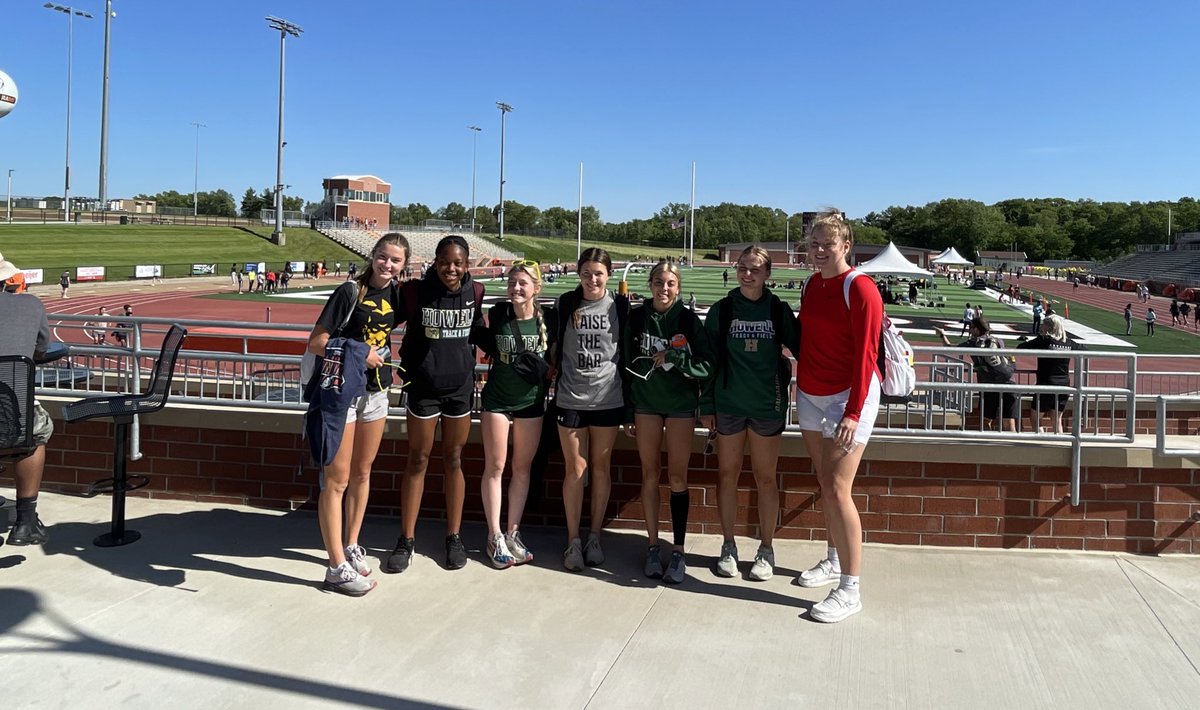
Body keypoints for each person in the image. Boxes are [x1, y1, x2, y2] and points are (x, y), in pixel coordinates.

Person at [305, 232, 410, 596]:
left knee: (363, 472)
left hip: (376, 390)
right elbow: (316, 341)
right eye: (383, 256)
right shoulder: (350, 292)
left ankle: (350, 544)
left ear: (403, 266)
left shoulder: (397, 295)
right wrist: (357, 350)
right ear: (373, 255)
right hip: (341, 393)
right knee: (337, 479)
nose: (388, 264)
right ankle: (335, 566)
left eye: (396, 260)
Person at [791, 211, 881, 624]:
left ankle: (850, 588)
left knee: (839, 489)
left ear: (846, 246)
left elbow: (866, 355)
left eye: (828, 244)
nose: (820, 250)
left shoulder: (860, 288)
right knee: (825, 483)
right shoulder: (812, 284)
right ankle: (832, 559)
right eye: (814, 244)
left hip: (849, 396)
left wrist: (853, 411)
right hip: (811, 392)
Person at [699, 245, 799, 584]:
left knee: (765, 478)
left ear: (768, 273)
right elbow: (707, 360)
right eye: (743, 267)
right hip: (728, 404)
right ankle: (728, 546)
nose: (748, 274)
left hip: (765, 406)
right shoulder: (723, 310)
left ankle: (766, 549)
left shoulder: (777, 309)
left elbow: (803, 348)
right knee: (727, 475)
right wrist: (706, 406)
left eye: (755, 269)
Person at [385, 235, 485, 573]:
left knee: (454, 458)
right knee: (418, 459)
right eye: (445, 261)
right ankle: (407, 539)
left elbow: (480, 332)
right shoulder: (413, 292)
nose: (451, 268)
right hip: (423, 389)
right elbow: (382, 321)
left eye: (458, 263)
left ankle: (454, 536)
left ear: (467, 264)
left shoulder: (476, 292)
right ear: (435, 261)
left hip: (459, 388)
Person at [624, 261, 713, 584]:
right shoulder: (636, 317)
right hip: (646, 404)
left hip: (680, 406)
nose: (664, 288)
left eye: (671, 283)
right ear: (650, 284)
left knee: (677, 476)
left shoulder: (688, 320)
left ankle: (677, 549)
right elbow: (625, 364)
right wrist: (627, 410)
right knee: (649, 474)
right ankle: (651, 545)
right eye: (659, 282)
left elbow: (706, 365)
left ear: (678, 287)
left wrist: (676, 358)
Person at [551, 247, 630, 571]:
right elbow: (553, 346)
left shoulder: (620, 306)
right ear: (579, 274)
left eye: (598, 273)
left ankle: (594, 535)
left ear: (608, 275)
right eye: (587, 273)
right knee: (575, 469)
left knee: (601, 468)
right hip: (570, 398)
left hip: (608, 398)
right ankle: (573, 539)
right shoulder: (566, 303)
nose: (592, 279)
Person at [477, 261, 556, 569]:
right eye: (512, 282)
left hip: (531, 402)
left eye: (523, 283)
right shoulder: (498, 314)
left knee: (522, 468)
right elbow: (483, 340)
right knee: (495, 466)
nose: (516, 288)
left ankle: (512, 532)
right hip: (497, 398)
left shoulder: (549, 319)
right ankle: (494, 535)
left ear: (536, 288)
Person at [0, 252, 54, 545]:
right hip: (11, 410)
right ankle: (25, 520)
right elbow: (42, 349)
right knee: (35, 433)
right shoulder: (30, 305)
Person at [937, 316, 1018, 431]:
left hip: (988, 386)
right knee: (1009, 424)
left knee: (985, 422)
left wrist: (942, 335)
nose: (970, 330)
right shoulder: (998, 340)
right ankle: (1012, 447)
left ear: (977, 329)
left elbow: (950, 349)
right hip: (1009, 384)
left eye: (971, 328)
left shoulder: (972, 343)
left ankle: (987, 446)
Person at [1017, 314, 1084, 434]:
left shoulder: (1044, 340)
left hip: (1046, 385)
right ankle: (1059, 444)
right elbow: (1086, 350)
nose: (1042, 326)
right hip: (1064, 385)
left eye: (1044, 324)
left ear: (1050, 326)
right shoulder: (1069, 343)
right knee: (1057, 419)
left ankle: (1041, 444)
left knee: (1036, 418)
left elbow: (1021, 347)